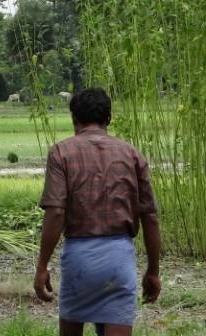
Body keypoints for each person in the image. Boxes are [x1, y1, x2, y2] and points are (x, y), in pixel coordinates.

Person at [35, 88, 161, 336]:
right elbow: (150, 217)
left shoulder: (61, 152)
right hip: (119, 258)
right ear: (109, 119)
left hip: (79, 258)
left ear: (74, 120)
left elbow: (56, 212)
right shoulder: (131, 154)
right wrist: (153, 271)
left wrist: (42, 265)